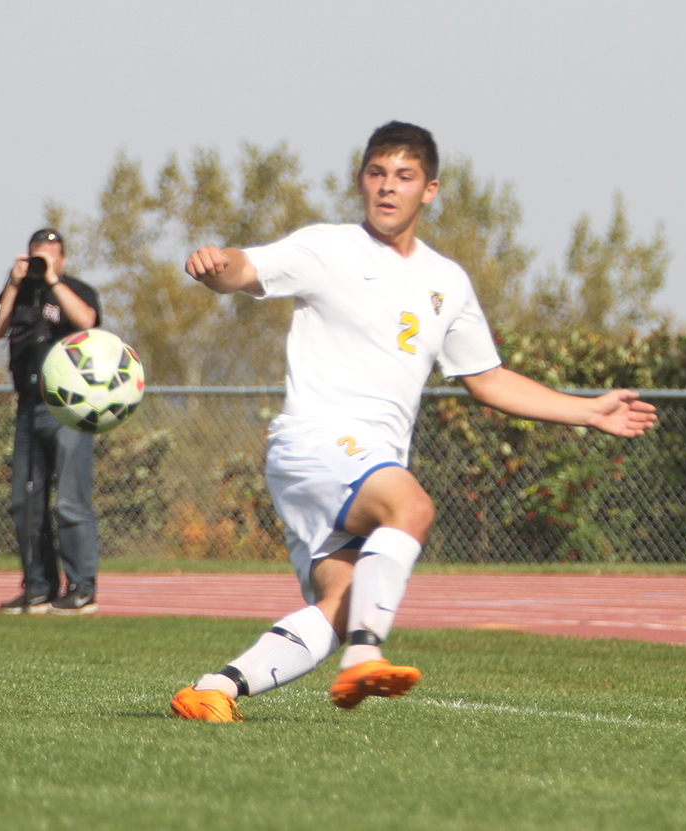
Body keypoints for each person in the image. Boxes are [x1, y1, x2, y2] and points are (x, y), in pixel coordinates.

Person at [171, 122, 658, 721]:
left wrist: (588, 410)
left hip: (355, 462)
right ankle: (364, 659)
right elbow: (246, 269)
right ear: (361, 181)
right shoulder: (329, 248)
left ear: (430, 189)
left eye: (404, 177)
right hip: (317, 442)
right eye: (376, 174)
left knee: (342, 604)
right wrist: (216, 265)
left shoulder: (445, 282)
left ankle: (213, 690)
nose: (387, 188)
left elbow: (488, 380)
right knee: (413, 508)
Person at [0, 229, 101, 615]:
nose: (42, 263)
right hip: (28, 405)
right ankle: (38, 586)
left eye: (50, 256)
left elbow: (87, 320)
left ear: (63, 259)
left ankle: (82, 587)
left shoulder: (76, 289)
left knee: (70, 500)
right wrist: (13, 284)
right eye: (37, 256)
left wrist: (52, 279)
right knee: (25, 502)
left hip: (68, 407)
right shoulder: (17, 290)